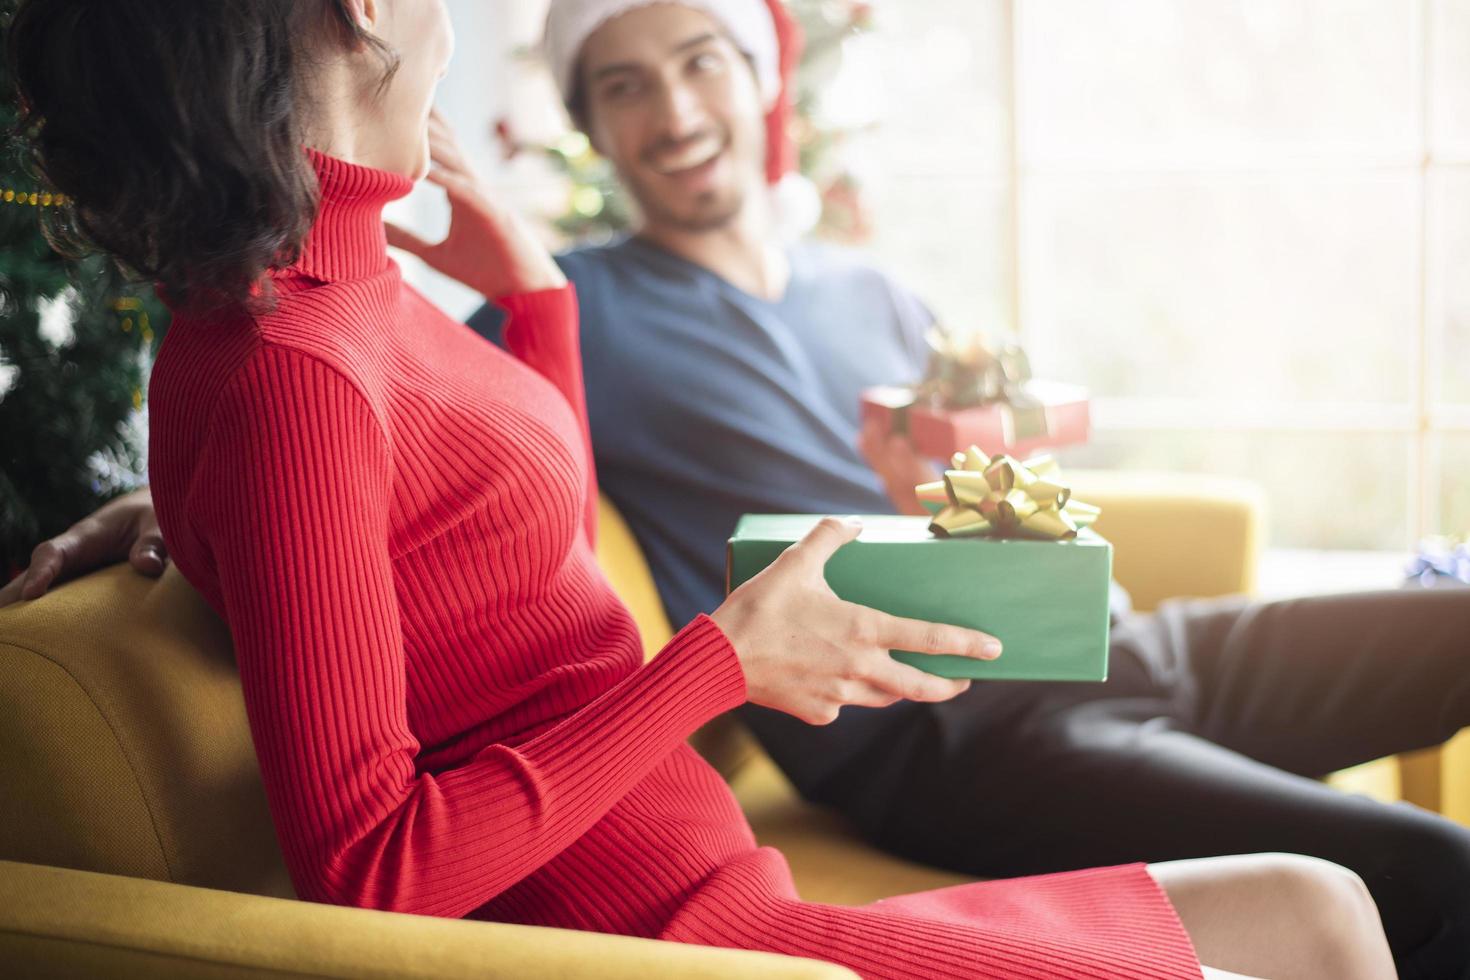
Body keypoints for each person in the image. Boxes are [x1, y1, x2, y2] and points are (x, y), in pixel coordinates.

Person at [1, 1, 1398, 977]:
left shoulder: (319, 291)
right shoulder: (291, 356)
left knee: (1322, 909)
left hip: (716, 883)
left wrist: (537, 301)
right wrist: (720, 663)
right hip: (677, 947)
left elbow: (481, 541)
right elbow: (375, 867)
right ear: (364, 9)